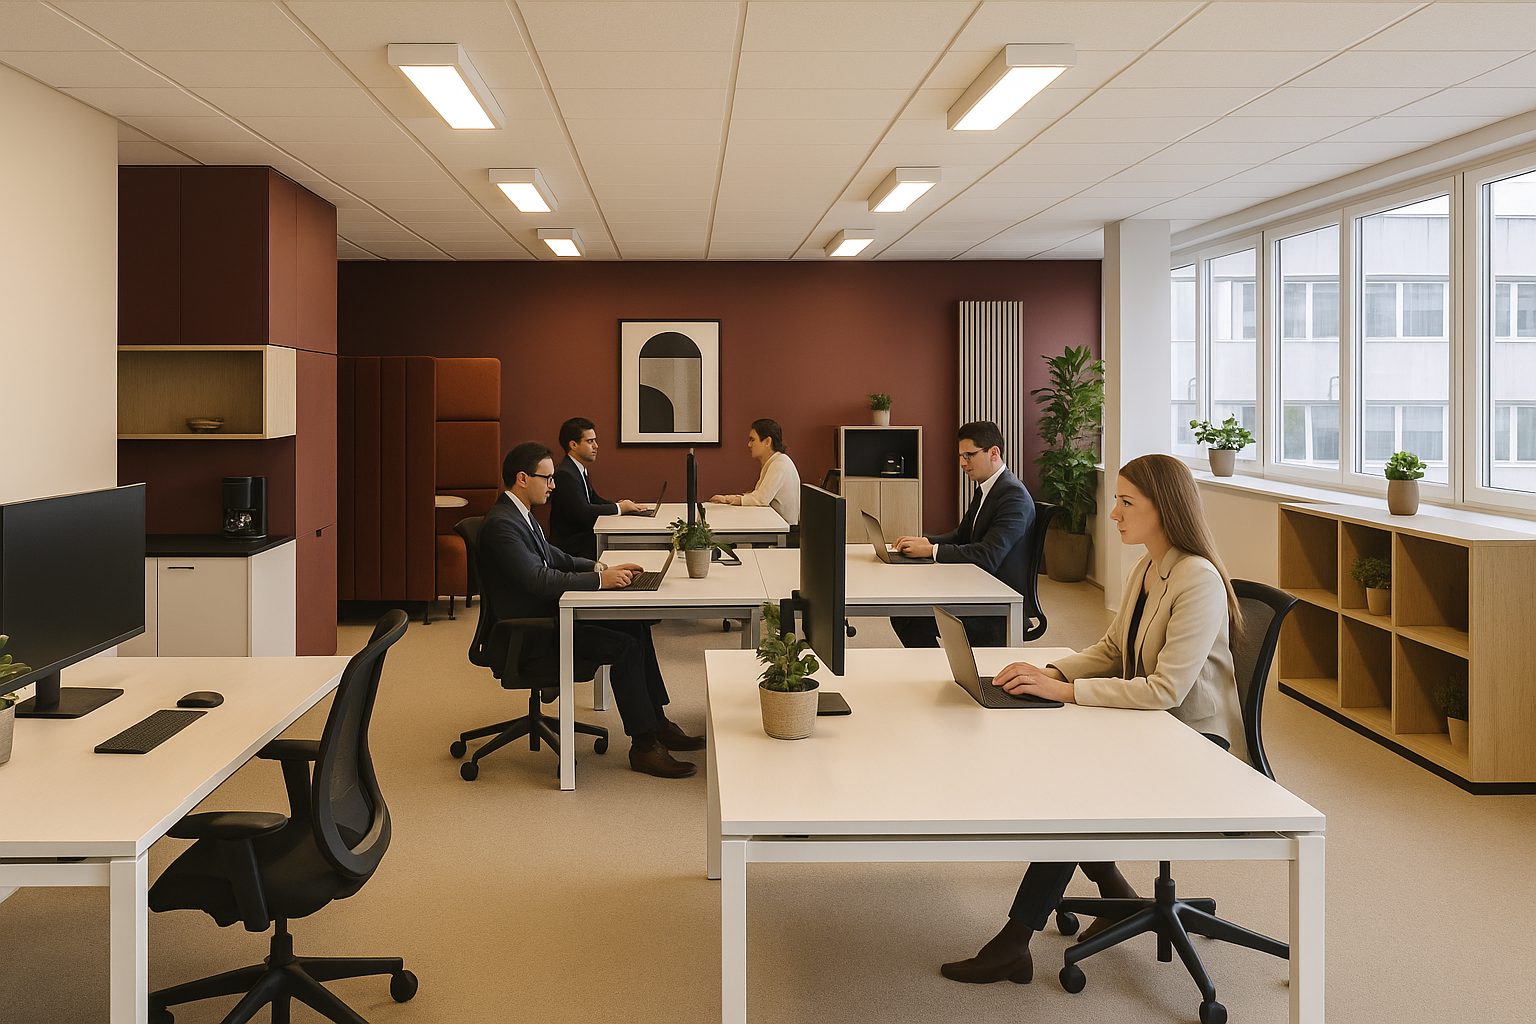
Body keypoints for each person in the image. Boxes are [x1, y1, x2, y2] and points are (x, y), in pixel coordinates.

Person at [939, 453, 1248, 984]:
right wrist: (1048, 671)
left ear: (1164, 508)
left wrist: (1064, 691)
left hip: (1194, 743)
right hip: (1149, 727)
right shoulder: (1147, 567)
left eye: (1127, 503)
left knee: (1075, 796)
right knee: (1055, 760)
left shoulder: (1198, 580)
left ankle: (1015, 941)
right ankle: (1116, 895)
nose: (1114, 514)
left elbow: (1166, 690)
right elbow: (1111, 649)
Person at [476, 441, 704, 780]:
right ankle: (644, 746)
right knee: (625, 647)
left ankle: (657, 724)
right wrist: (600, 582)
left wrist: (601, 567)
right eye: (547, 478)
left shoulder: (519, 514)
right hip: (530, 633)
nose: (553, 485)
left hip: (547, 618)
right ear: (523, 478)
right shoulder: (502, 525)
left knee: (635, 624)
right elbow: (539, 579)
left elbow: (554, 556)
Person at [890, 421, 1035, 648]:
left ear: (994, 453)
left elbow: (988, 556)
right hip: (978, 588)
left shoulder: (1013, 496)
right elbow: (963, 535)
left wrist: (931, 550)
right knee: (905, 611)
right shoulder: (987, 488)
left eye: (969, 455)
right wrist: (926, 541)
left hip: (998, 606)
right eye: (960, 456)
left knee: (907, 616)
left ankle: (941, 667)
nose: (962, 463)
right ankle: (942, 666)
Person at [549, 416, 648, 561]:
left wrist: (621, 506)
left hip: (583, 540)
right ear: (573, 445)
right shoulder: (565, 474)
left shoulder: (577, 469)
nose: (596, 446)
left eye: (595, 441)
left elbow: (594, 499)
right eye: (590, 441)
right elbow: (583, 512)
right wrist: (619, 508)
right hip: (572, 548)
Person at [709, 418, 801, 526]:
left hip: (784, 529)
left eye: (752, 440)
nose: (749, 444)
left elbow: (761, 499)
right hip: (775, 524)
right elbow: (758, 497)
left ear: (767, 441)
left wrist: (727, 499)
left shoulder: (780, 463)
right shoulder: (775, 462)